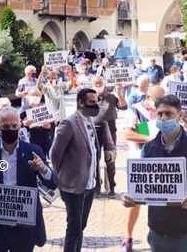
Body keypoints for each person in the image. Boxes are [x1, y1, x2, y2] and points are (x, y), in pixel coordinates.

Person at [123, 94, 187, 252]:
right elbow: (128, 134)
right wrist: (133, 197)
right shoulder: (148, 146)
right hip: (157, 234)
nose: (163, 118)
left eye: (168, 114)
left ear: (180, 115)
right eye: (160, 113)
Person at [50, 88, 112, 252]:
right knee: (74, 228)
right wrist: (62, 176)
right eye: (92, 102)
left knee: (80, 226)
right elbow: (55, 154)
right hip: (73, 186)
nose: (96, 104)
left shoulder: (90, 120)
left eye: (97, 101)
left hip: (89, 184)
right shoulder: (69, 123)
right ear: (80, 102)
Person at [0, 106, 57, 252]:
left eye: (14, 126)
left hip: (24, 224)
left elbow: (52, 183)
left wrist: (42, 168)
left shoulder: (33, 151)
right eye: (6, 126)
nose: (10, 129)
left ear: (20, 126)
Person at [121, 84, 164, 252]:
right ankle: (128, 237)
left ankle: (159, 235)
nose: (160, 103)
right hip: (138, 163)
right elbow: (128, 134)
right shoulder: (136, 111)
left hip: (159, 164)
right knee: (135, 203)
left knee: (161, 203)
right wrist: (151, 137)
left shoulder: (163, 113)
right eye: (157, 100)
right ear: (148, 98)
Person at [93, 75, 125, 196]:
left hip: (109, 131)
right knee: (95, 160)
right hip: (94, 133)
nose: (98, 85)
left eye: (100, 83)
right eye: (96, 83)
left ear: (104, 83)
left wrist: (120, 94)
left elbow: (123, 106)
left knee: (110, 160)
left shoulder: (112, 97)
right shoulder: (90, 97)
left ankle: (111, 187)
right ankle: (96, 187)